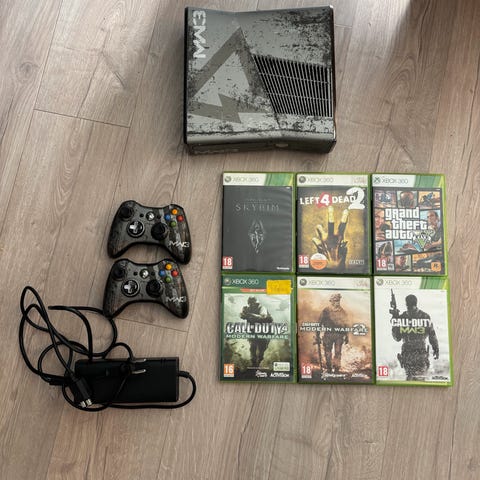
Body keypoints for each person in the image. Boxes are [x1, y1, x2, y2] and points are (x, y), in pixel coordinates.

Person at [391, 294, 439, 380]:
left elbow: (397, 338)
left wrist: (395, 320)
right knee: (420, 379)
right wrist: (436, 348)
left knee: (412, 379)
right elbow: (432, 334)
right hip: (417, 354)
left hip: (411, 354)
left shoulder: (402, 317)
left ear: (406, 304)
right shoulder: (425, 316)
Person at [318, 293, 349, 373]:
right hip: (328, 334)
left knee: (338, 352)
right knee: (328, 352)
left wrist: (347, 336)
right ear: (331, 301)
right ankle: (329, 368)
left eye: (338, 300)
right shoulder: (326, 311)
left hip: (339, 335)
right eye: (335, 301)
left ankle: (336, 369)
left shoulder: (342, 311)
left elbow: (346, 324)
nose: (337, 302)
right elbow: (319, 323)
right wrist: (317, 335)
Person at [240, 297, 272, 366]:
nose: (252, 305)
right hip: (253, 331)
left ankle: (259, 360)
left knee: (262, 348)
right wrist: (244, 313)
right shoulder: (248, 308)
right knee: (252, 347)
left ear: (256, 303)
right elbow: (242, 316)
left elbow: (263, 316)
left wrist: (250, 314)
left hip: (264, 331)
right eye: (250, 303)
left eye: (253, 303)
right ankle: (254, 362)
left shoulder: (262, 308)